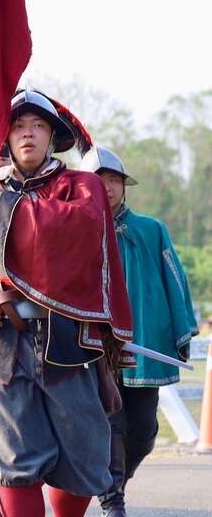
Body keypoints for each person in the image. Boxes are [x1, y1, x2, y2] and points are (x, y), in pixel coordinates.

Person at [0, 89, 134, 517]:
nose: (27, 134)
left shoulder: (81, 187)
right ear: (4, 137)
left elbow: (74, 230)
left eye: (37, 126)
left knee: (84, 459)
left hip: (67, 344)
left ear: (50, 136)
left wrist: (7, 207)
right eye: (18, 126)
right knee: (14, 464)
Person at [80, 146, 199, 517]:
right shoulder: (74, 231)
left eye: (114, 180)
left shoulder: (151, 229)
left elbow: (174, 281)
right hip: (97, 345)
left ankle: (114, 481)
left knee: (144, 433)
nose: (108, 187)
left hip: (143, 342)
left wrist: (180, 331)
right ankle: (112, 500)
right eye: (99, 181)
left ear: (124, 186)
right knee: (111, 425)